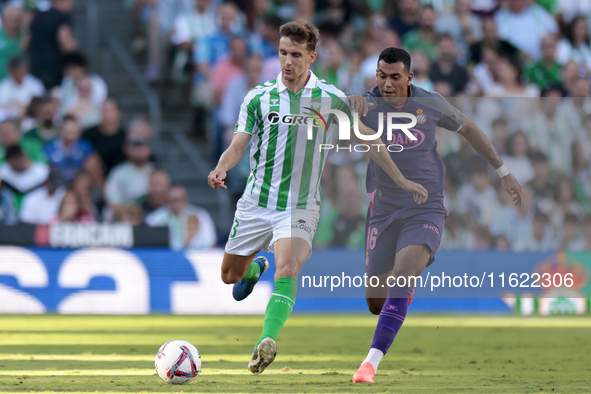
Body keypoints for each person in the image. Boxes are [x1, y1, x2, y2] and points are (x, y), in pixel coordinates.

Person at [207, 22, 422, 375]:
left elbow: (369, 139)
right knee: (230, 277)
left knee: (289, 268)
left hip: (300, 205)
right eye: (282, 53)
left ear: (311, 56)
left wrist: (400, 179)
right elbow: (237, 145)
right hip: (257, 204)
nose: (287, 62)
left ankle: (267, 340)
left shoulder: (329, 97)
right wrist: (221, 168)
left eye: (295, 54)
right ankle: (255, 267)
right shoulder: (258, 97)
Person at [347, 47, 522, 383]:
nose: (386, 83)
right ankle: (405, 288)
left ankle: (370, 363)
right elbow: (327, 107)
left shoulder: (431, 103)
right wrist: (348, 106)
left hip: (425, 204)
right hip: (383, 208)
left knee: (403, 273)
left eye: (395, 77)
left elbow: (469, 129)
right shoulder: (365, 103)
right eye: (381, 76)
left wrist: (503, 171)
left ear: (409, 78)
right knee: (375, 301)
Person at [146, 185, 216, 250]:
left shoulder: (201, 215)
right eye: (171, 200)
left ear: (186, 200)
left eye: (177, 200)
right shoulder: (154, 218)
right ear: (166, 202)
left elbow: (210, 242)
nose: (175, 204)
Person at [26, 0, 77, 90]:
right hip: (54, 69)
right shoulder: (63, 16)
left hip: (35, 67)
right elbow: (64, 40)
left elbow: (26, 43)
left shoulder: (38, 16)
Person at [105, 135, 155, 220]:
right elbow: (113, 199)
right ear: (127, 150)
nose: (139, 151)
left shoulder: (155, 171)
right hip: (126, 215)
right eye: (135, 147)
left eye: (142, 147)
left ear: (149, 150)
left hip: (152, 215)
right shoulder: (118, 172)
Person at [43, 115, 103, 186]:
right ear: (61, 130)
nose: (70, 134)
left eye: (74, 131)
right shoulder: (48, 148)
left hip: (78, 185)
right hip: (56, 184)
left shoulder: (85, 147)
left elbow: (95, 168)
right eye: (67, 130)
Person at [82, 99, 127, 176]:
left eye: (109, 110)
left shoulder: (126, 136)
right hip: (93, 177)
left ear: (118, 113)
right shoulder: (88, 134)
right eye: (103, 110)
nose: (105, 114)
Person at [0, 6, 25, 81]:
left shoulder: (26, 38)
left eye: (17, 20)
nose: (14, 23)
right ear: (4, 20)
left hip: (20, 84)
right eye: (11, 19)